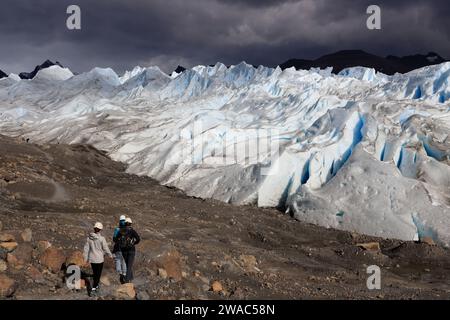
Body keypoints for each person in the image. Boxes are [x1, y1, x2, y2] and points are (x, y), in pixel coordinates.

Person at [83, 222, 112, 293]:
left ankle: (95, 286)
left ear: (94, 228)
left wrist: (85, 259)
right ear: (100, 229)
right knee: (97, 274)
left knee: (95, 273)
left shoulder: (89, 238)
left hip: (92, 259)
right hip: (99, 259)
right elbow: (105, 248)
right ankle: (94, 288)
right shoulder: (102, 238)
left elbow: (86, 249)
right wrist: (110, 255)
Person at [114, 217, 140, 283]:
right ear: (130, 223)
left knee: (128, 264)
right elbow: (138, 239)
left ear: (125, 223)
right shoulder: (132, 231)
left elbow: (116, 239)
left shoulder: (120, 231)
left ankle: (130, 278)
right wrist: (134, 243)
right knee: (129, 265)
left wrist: (121, 244)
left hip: (123, 250)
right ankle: (127, 280)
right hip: (131, 250)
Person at [112, 215, 128, 284]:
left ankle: (119, 274)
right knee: (124, 261)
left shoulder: (117, 229)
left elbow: (114, 239)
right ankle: (124, 275)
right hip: (125, 249)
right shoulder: (128, 230)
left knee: (118, 260)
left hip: (118, 248)